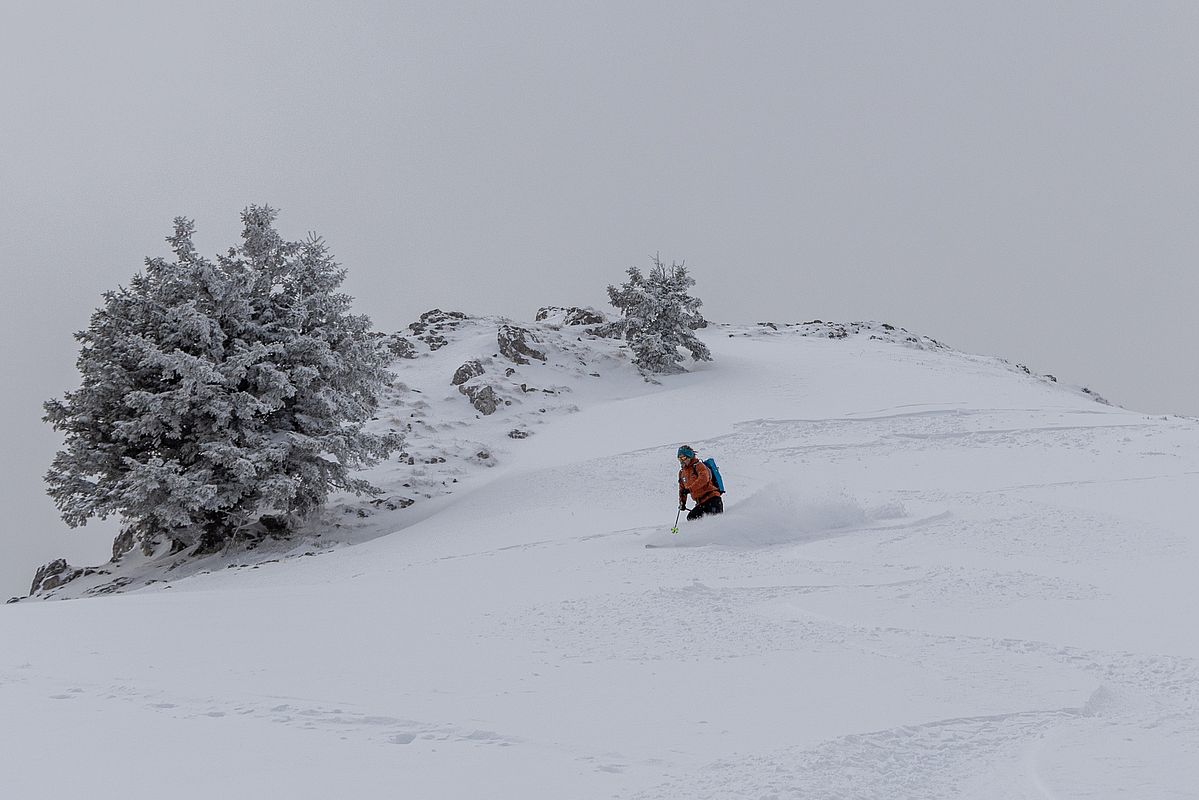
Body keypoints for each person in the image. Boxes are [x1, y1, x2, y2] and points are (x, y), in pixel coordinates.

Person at [677, 445, 723, 521]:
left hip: (712, 499)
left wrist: (690, 489)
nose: (681, 460)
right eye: (679, 458)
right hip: (700, 503)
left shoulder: (698, 466)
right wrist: (682, 503)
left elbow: (704, 479)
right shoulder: (682, 473)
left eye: (683, 457)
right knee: (691, 518)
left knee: (715, 522)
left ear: (689, 456)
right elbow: (682, 490)